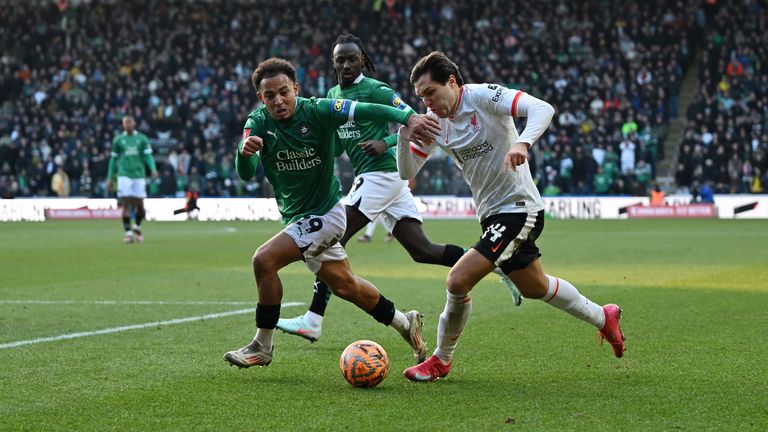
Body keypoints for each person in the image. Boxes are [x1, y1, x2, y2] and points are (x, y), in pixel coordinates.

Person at [276, 34, 522, 343]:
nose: (346, 64)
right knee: (422, 250)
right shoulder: (333, 95)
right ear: (333, 63)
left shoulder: (375, 89)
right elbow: (337, 144)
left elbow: (414, 121)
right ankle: (498, 264)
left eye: (352, 58)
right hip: (377, 179)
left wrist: (386, 142)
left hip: (383, 174)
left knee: (331, 237)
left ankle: (313, 319)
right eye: (341, 59)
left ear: (362, 60)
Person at [396, 52, 626, 382]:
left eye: (430, 92)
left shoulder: (482, 96)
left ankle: (440, 360)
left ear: (452, 82)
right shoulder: (434, 123)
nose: (427, 103)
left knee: (457, 280)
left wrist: (523, 143)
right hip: (491, 215)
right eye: (421, 97)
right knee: (535, 286)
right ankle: (604, 317)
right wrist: (404, 135)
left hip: (519, 209)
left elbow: (543, 109)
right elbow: (407, 172)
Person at [223, 57, 441, 368]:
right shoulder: (257, 122)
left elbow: (367, 109)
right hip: (299, 219)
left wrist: (408, 117)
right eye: (270, 96)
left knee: (264, 260)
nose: (278, 101)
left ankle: (262, 345)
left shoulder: (319, 110)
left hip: (326, 215)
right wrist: (243, 153)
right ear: (261, 97)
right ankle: (405, 323)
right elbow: (245, 172)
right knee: (346, 286)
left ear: (296, 88)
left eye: (284, 92)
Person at [106, 115, 158, 243]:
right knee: (126, 204)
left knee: (140, 205)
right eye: (125, 123)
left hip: (139, 175)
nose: (127, 125)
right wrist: (110, 177)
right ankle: (128, 233)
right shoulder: (118, 140)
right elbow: (113, 160)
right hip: (124, 175)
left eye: (129, 122)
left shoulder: (142, 139)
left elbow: (148, 156)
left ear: (134, 124)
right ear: (123, 125)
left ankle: (137, 226)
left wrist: (153, 169)